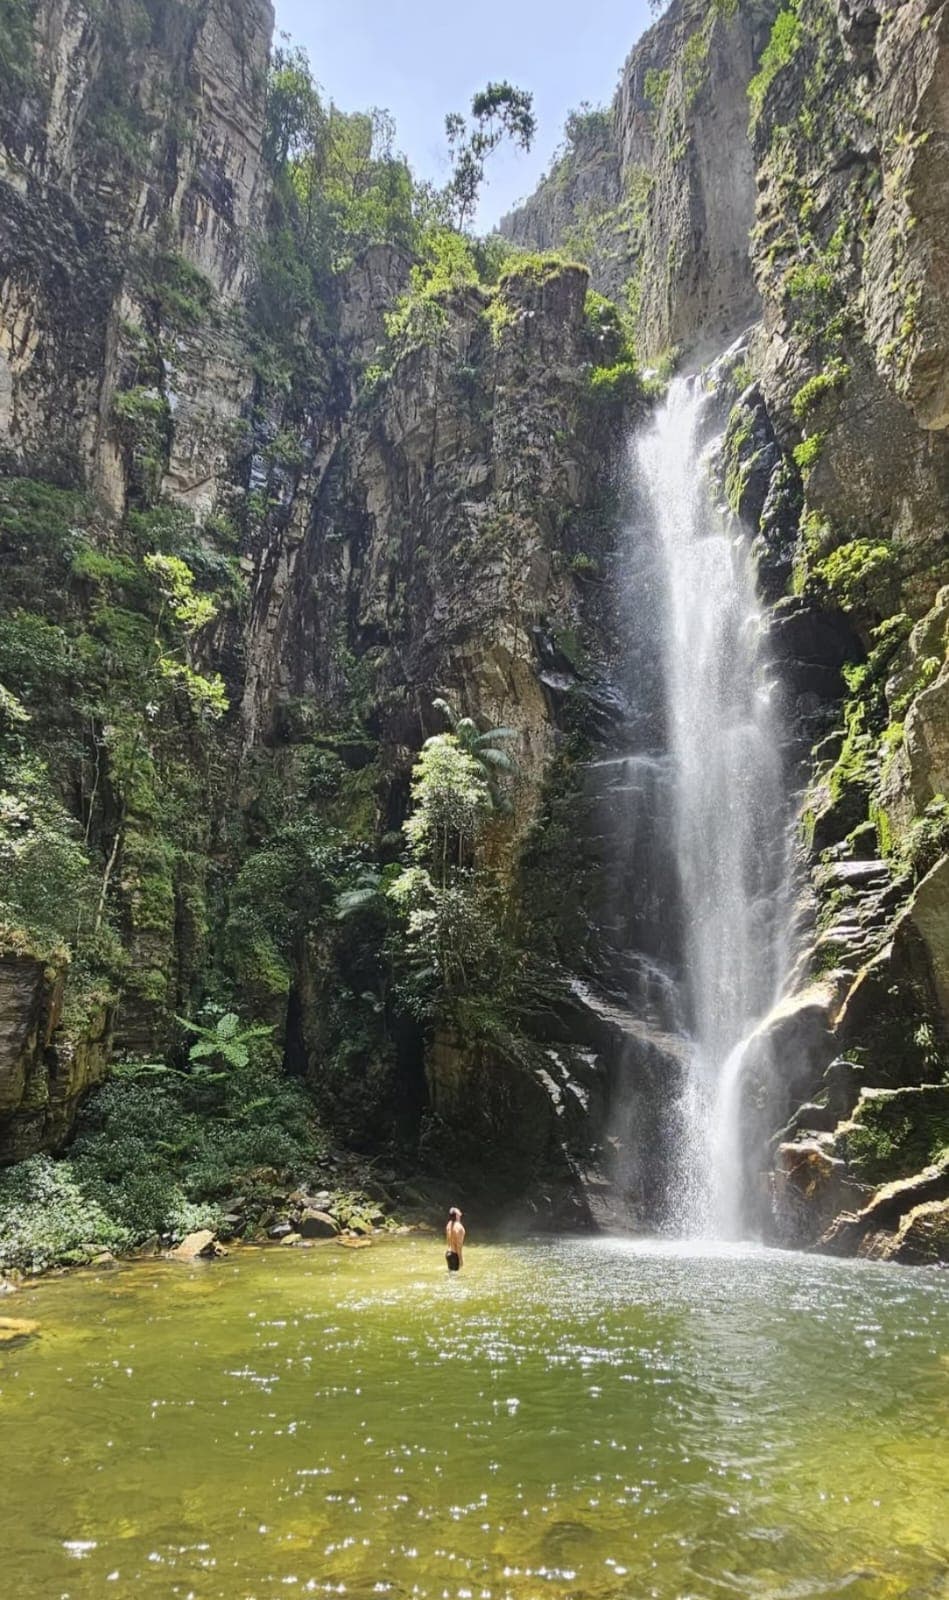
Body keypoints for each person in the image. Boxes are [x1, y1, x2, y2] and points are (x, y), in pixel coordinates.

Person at [445, 1206, 465, 1272]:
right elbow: (459, 1246)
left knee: (450, 1274)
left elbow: (448, 1241)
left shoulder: (448, 1224)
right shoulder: (460, 1228)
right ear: (456, 1216)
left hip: (448, 1253)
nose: (461, 1214)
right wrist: (461, 1259)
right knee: (455, 1276)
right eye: (459, 1213)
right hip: (454, 1255)